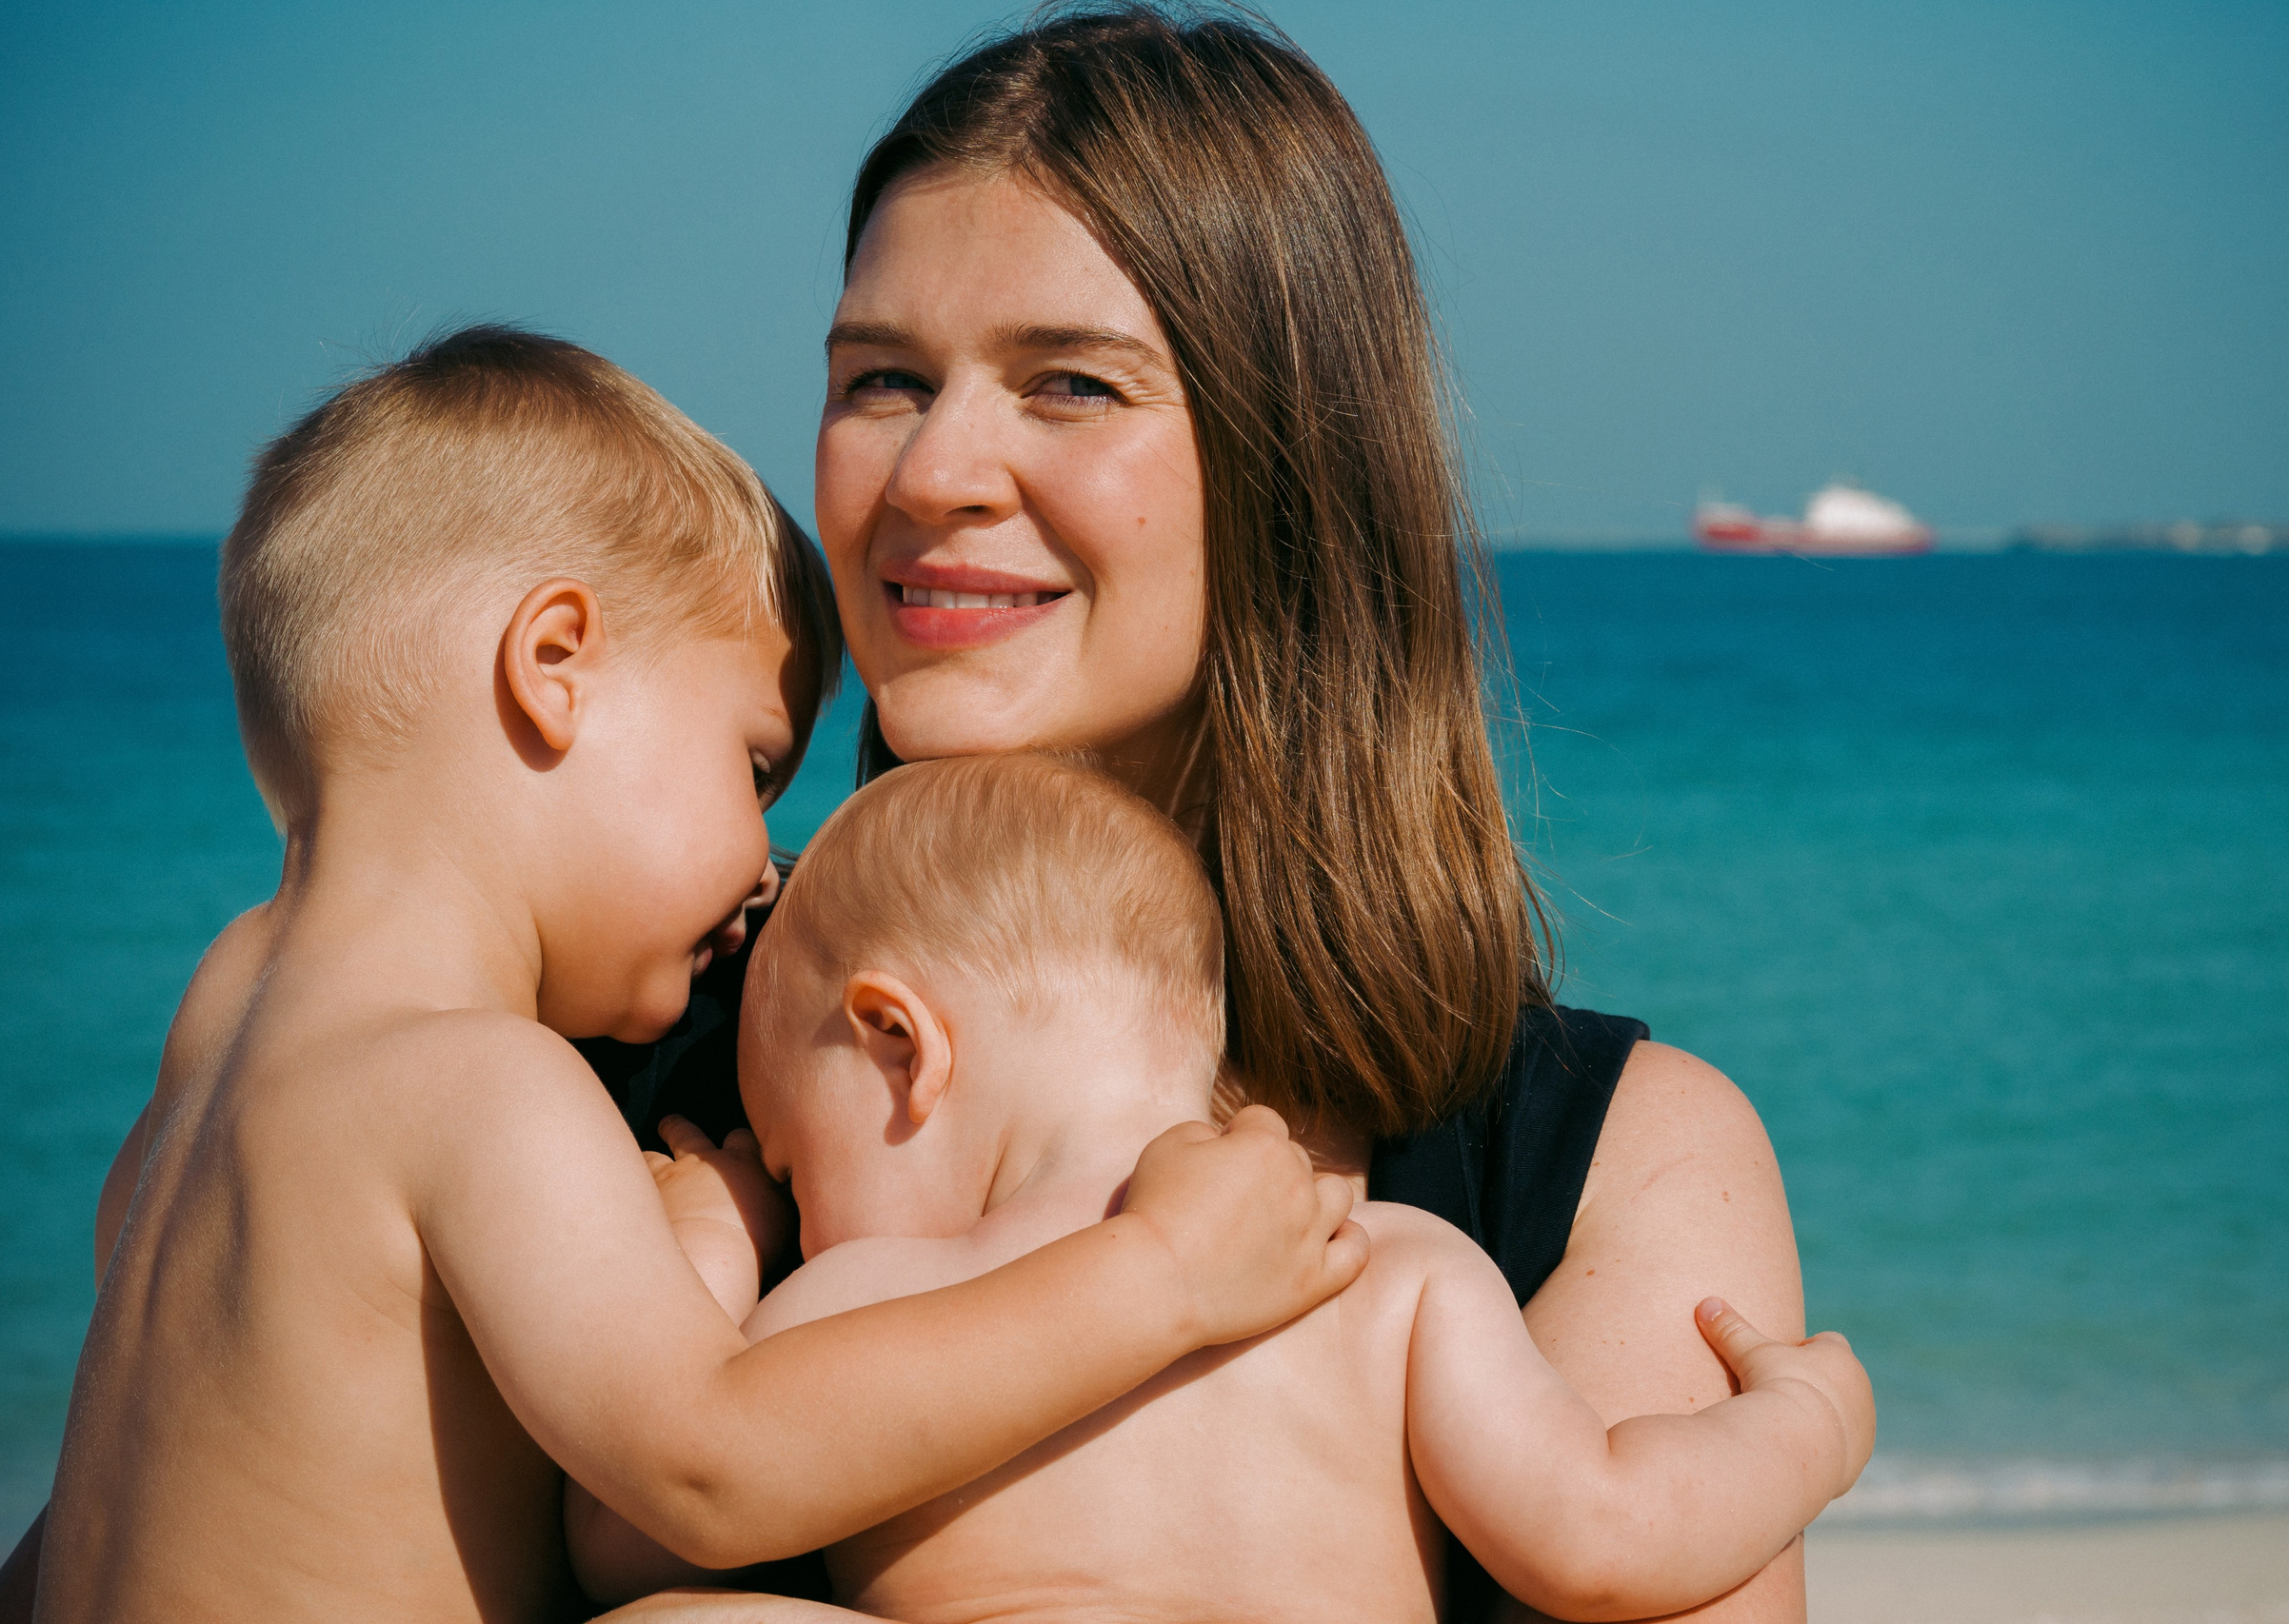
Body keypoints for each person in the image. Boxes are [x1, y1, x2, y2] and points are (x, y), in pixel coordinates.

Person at [577, 10, 1858, 1618]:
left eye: (1070, 383)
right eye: (882, 379)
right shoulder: (627, 1077)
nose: (933, 470)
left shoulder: (1614, 1159)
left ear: (1292, 468)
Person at [23, 328, 1365, 1624]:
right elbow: (709, 1469)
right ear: (554, 668)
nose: (765, 870)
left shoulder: (223, 1015)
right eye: (755, 765)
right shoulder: (481, 1083)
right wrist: (1158, 1271)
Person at [569, 753, 1873, 1621]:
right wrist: (1805, 1432)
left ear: (901, 1048)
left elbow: (639, 1529)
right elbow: (1604, 1535)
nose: (796, 1212)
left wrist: (713, 1246)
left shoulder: (860, 1297)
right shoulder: (1398, 1266)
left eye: (792, 1163)